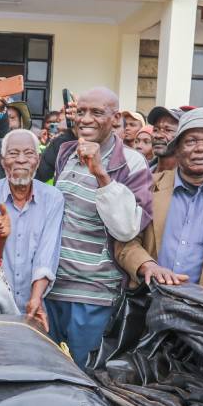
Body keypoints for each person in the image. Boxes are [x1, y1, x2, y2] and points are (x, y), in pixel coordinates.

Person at [44, 87, 152, 365]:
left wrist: (101, 174)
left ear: (115, 119)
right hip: (53, 289)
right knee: (50, 371)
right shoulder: (65, 152)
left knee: (85, 375)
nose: (86, 119)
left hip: (94, 294)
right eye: (81, 112)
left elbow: (128, 229)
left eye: (96, 113)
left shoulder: (132, 162)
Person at [117, 107, 203, 310]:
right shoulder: (148, 186)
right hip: (148, 304)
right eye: (191, 141)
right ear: (177, 148)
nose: (201, 148)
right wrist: (148, 266)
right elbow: (126, 242)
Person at [0, 128, 64, 329]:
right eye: (13, 153)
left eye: (29, 153)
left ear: (39, 160)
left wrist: (36, 298)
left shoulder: (52, 198)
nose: (21, 160)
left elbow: (47, 252)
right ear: (2, 160)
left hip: (34, 305)